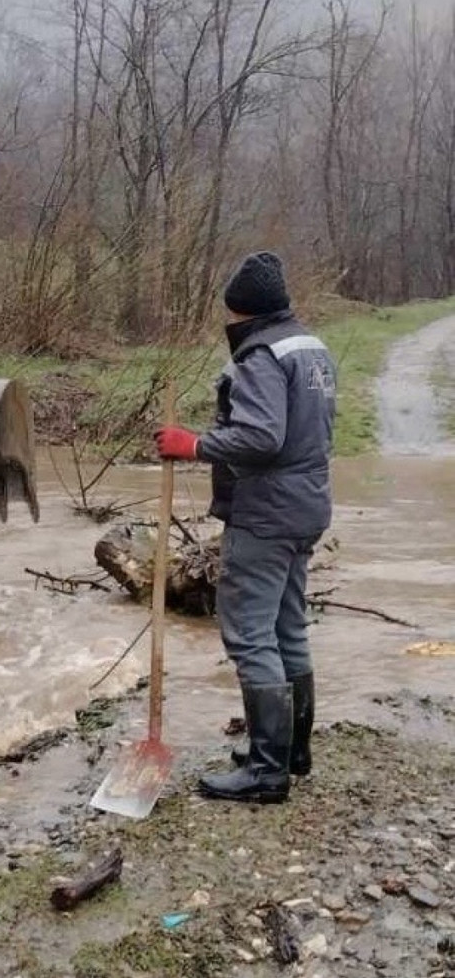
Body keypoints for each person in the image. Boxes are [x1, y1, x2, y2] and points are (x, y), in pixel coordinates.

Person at [155, 251, 337, 804]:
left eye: (230, 311)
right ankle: (291, 752)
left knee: (251, 634)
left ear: (242, 310)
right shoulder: (309, 346)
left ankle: (266, 772)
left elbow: (262, 436)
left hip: (266, 512)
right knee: (288, 628)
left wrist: (194, 445)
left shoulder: (260, 355)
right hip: (307, 506)